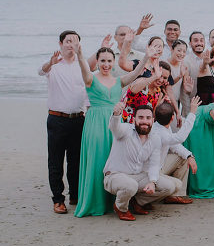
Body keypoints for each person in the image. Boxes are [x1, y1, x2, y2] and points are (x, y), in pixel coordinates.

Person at [74, 43, 148, 217]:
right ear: (97, 62)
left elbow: (136, 73)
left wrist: (146, 57)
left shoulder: (118, 81)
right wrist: (80, 55)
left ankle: (115, 200)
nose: (106, 64)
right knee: (97, 159)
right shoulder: (91, 79)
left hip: (116, 122)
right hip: (96, 123)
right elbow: (84, 69)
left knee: (116, 160)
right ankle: (96, 202)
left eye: (109, 61)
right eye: (102, 61)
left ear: (113, 62)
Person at [39, 30, 88, 214]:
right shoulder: (54, 64)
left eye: (75, 41)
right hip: (57, 119)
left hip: (78, 119)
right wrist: (50, 63)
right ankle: (58, 199)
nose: (71, 44)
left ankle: (74, 195)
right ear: (60, 44)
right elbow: (41, 71)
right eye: (68, 41)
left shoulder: (82, 65)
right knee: (56, 161)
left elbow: (89, 84)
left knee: (76, 161)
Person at [103, 103, 175, 221]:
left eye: (148, 118)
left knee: (168, 187)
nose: (144, 121)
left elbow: (154, 164)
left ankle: (138, 202)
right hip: (115, 176)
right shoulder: (126, 130)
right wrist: (116, 114)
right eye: (140, 117)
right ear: (134, 119)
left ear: (153, 120)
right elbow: (115, 128)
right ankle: (121, 208)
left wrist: (152, 182)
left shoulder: (155, 138)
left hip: (138, 176)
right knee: (131, 185)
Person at [152, 100, 199, 205]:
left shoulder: (160, 126)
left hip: (159, 165)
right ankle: (141, 201)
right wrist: (192, 113)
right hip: (153, 171)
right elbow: (179, 138)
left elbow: (174, 145)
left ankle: (174, 196)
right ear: (172, 118)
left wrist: (189, 156)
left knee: (184, 157)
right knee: (175, 184)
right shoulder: (159, 131)